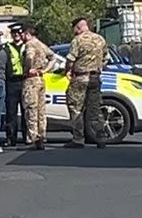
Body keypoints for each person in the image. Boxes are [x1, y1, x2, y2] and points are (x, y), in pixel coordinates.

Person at [64, 17, 108, 149]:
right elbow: (106, 58)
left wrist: (68, 70)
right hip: (95, 78)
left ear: (78, 27)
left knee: (75, 108)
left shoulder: (77, 40)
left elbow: (70, 60)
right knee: (95, 109)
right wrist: (97, 68)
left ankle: (78, 138)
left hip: (80, 78)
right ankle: (101, 136)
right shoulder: (100, 39)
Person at [20, 25, 55, 150]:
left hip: (31, 80)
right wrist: (45, 70)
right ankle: (42, 136)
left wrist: (28, 68)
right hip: (40, 78)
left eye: (22, 34)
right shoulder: (41, 44)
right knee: (41, 110)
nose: (21, 36)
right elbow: (53, 57)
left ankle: (34, 138)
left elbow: (29, 57)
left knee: (31, 109)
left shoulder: (30, 44)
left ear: (27, 34)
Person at [4, 22, 27, 146]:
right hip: (11, 82)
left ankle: (26, 137)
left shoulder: (27, 46)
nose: (16, 35)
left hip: (24, 81)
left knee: (26, 111)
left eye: (18, 33)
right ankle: (11, 138)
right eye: (14, 33)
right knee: (11, 112)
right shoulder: (7, 47)